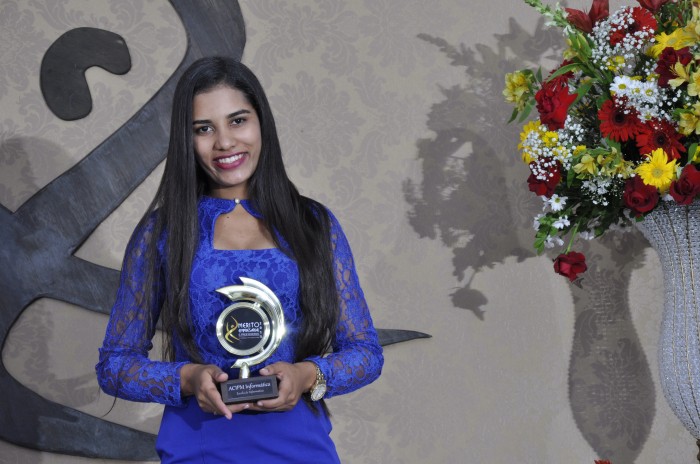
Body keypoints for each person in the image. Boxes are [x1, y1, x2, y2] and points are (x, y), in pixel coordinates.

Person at [96, 56, 384, 463]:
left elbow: (366, 353)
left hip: (299, 449)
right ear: (186, 140)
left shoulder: (313, 224)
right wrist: (189, 378)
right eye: (203, 128)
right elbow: (115, 366)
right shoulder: (163, 232)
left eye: (237, 121)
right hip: (199, 449)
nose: (225, 142)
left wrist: (305, 375)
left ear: (261, 122)